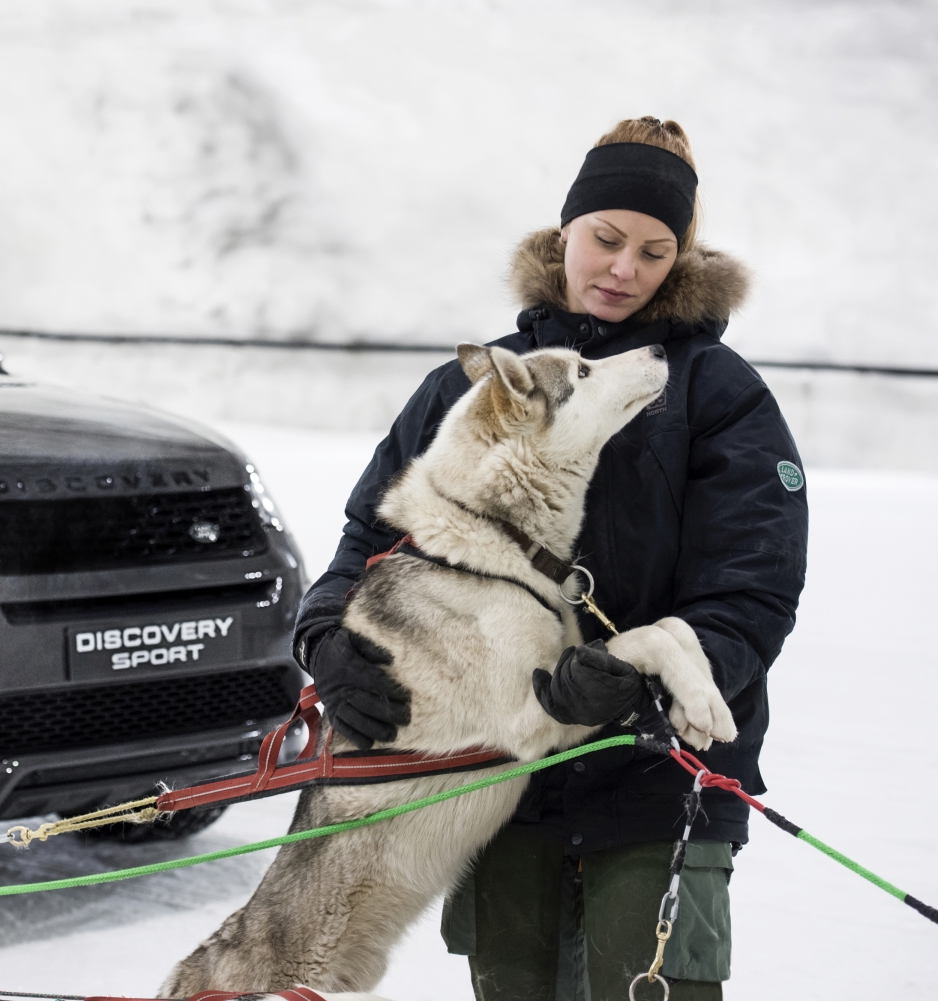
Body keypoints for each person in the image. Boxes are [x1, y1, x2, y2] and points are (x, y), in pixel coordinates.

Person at [293, 117, 809, 1000]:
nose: (622, 269)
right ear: (563, 230)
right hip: (495, 781)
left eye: (653, 252)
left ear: (679, 259)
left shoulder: (717, 394)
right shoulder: (472, 389)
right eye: (605, 240)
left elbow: (751, 587)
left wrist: (644, 680)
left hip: (657, 783)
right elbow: (371, 539)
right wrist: (327, 637)